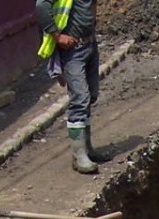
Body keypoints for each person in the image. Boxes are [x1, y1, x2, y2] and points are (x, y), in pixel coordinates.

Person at [35, 0, 111, 174]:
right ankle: (79, 155)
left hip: (90, 44)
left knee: (91, 95)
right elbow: (41, 5)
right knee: (80, 98)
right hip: (72, 50)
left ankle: (87, 149)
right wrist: (57, 35)